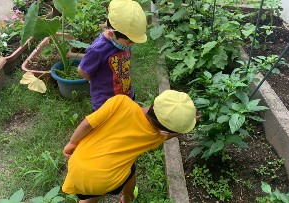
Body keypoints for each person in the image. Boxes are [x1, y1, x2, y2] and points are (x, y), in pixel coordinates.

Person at [62, 90, 197, 203]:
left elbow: (87, 123)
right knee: (129, 170)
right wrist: (192, 122)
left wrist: (73, 143)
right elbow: (168, 136)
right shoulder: (156, 136)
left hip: (77, 165)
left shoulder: (120, 102)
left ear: (156, 101)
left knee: (87, 196)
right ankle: (127, 198)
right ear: (166, 130)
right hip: (106, 179)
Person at [77, 0, 147, 111]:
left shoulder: (122, 41)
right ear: (111, 33)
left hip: (125, 92)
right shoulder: (97, 50)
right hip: (105, 102)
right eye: (129, 42)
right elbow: (82, 70)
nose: (132, 45)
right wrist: (97, 81)